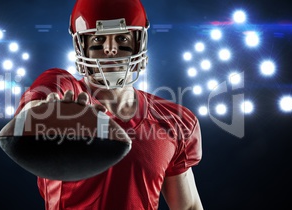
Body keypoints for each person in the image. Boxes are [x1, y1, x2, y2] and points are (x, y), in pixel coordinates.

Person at [14, 0, 203, 209]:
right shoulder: (63, 86)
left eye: (122, 38)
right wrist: (47, 115)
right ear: (81, 45)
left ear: (138, 42)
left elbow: (188, 206)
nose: (111, 49)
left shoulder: (173, 120)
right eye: (98, 39)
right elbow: (28, 118)